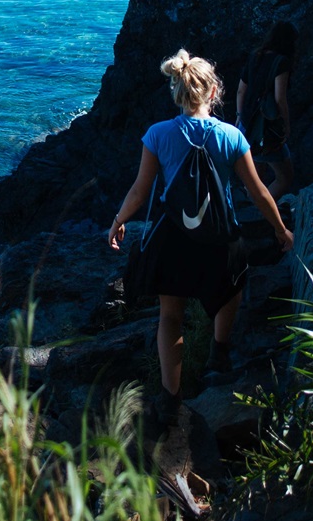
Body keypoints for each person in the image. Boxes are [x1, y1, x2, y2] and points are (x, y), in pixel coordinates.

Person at [108, 50, 293, 428]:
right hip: (218, 240)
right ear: (213, 93)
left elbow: (140, 192)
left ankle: (169, 398)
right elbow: (258, 192)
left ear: (176, 93)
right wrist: (280, 229)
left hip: (171, 240)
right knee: (233, 286)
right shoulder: (232, 136)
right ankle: (218, 355)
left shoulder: (158, 134)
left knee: (170, 317)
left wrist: (118, 221)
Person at [236, 22, 297, 199]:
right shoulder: (281, 62)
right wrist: (286, 125)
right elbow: (280, 98)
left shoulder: (255, 55)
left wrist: (240, 116)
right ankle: (262, 212)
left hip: (247, 123)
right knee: (285, 177)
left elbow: (241, 90)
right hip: (267, 128)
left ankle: (251, 213)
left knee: (254, 178)